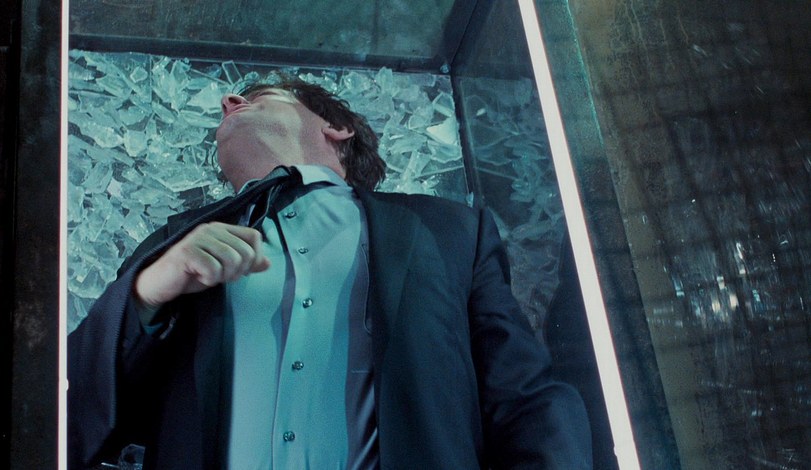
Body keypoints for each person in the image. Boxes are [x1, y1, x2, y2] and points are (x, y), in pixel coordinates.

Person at [68, 76, 592, 469]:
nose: (228, 102)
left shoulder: (451, 230)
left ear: (336, 129)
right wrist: (145, 295)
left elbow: (524, 397)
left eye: (259, 97)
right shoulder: (175, 242)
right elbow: (73, 410)